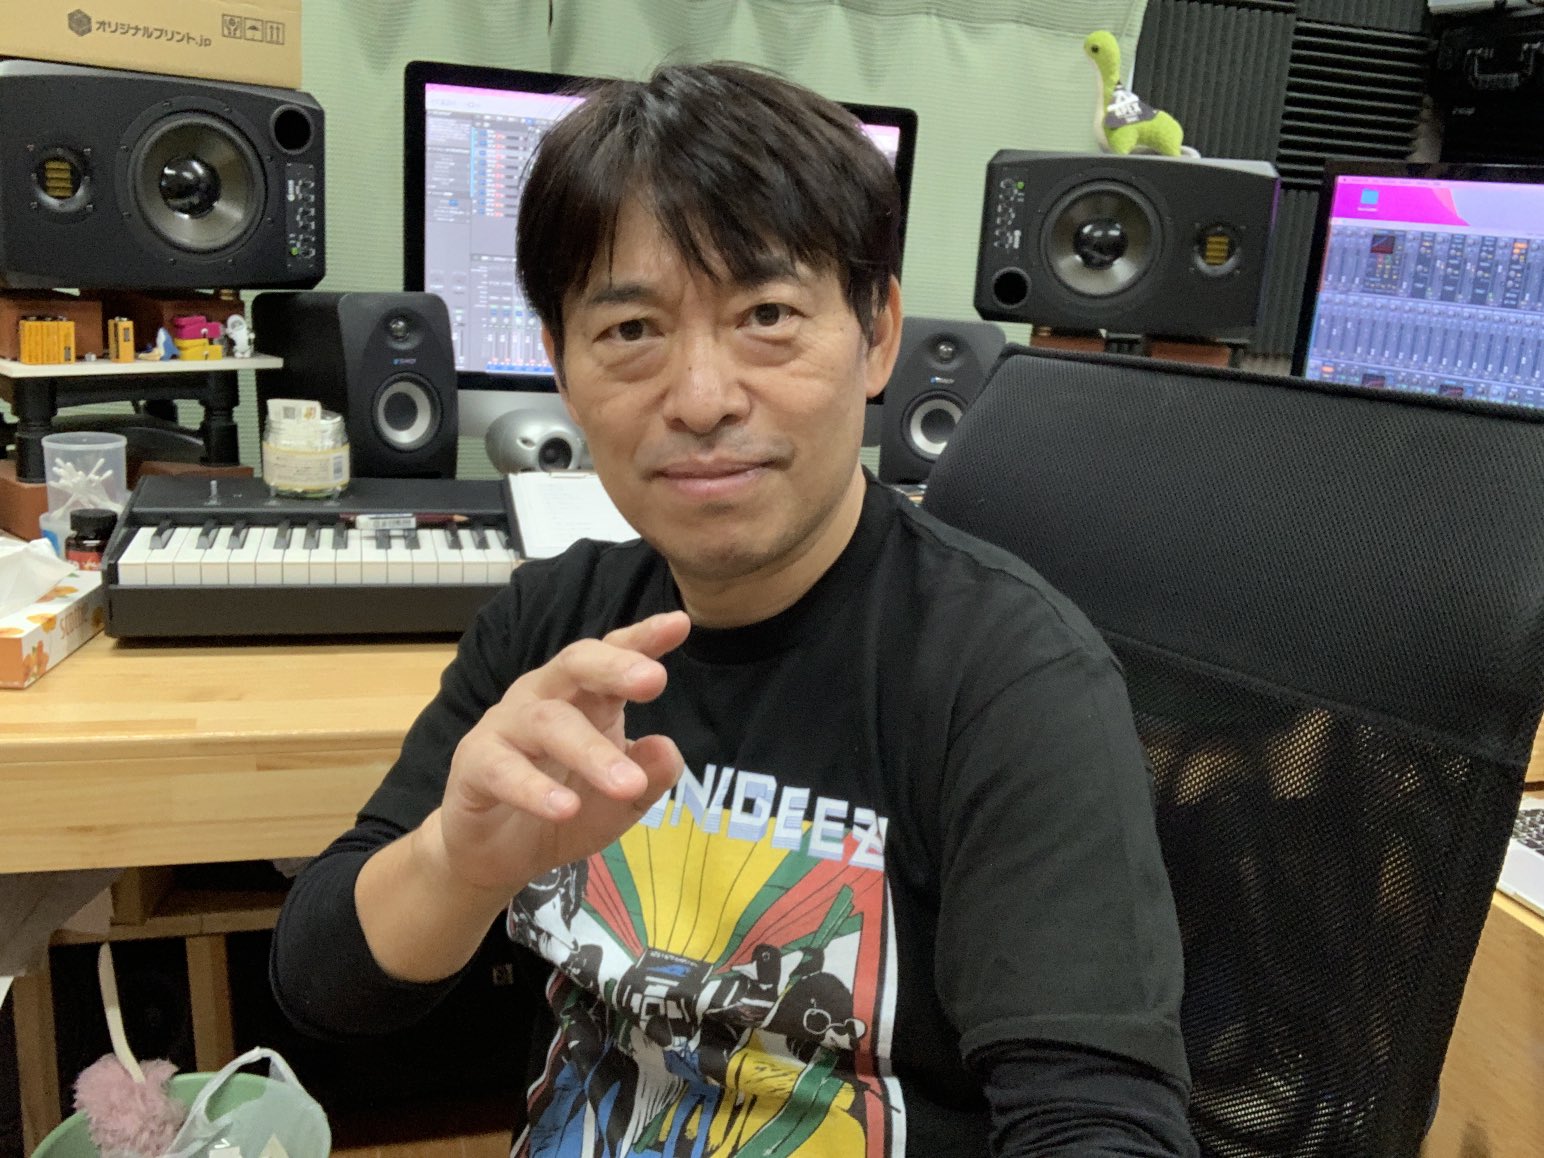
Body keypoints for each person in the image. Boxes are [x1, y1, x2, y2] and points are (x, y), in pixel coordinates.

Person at [271, 61, 1197, 1157]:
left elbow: (1099, 1125)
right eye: (631, 331)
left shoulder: (1009, 679)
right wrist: (457, 867)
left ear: (878, 335)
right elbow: (321, 984)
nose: (702, 399)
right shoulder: (555, 627)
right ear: (560, 366)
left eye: (767, 315)